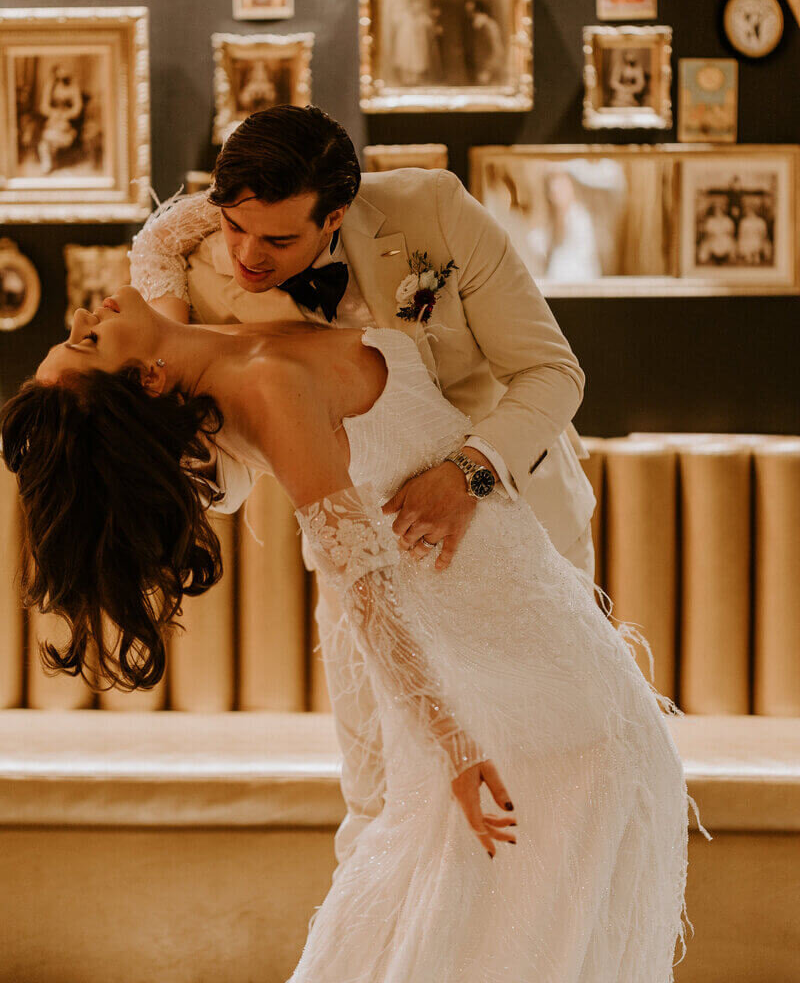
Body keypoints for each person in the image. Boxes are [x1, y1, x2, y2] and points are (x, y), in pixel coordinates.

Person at [1, 281, 707, 980]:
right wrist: (452, 743)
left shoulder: (212, 328)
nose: (86, 311)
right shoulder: (265, 386)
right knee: (497, 922)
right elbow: (361, 584)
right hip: (502, 666)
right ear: (149, 379)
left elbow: (170, 247)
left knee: (517, 909)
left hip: (531, 623)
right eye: (87, 339)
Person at [126, 104, 599, 865]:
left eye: (278, 239)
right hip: (362, 564)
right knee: (381, 801)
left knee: (545, 774)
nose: (246, 255)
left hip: (514, 533)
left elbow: (552, 373)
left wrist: (464, 475)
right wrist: (163, 446)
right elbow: (237, 480)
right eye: (233, 225)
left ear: (336, 214)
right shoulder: (198, 283)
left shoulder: (433, 211)